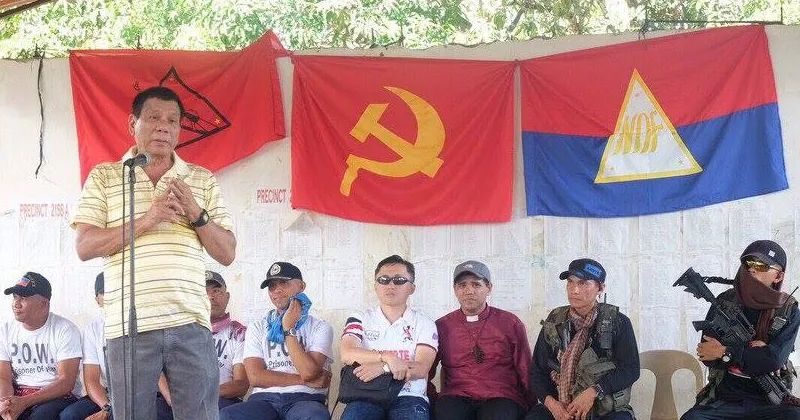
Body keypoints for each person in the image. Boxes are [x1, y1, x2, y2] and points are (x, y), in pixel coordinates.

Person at [72, 85, 236, 420]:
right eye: (153, 118)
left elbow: (227, 252)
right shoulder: (105, 176)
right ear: (132, 123)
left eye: (172, 121)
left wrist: (196, 212)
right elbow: (85, 245)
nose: (163, 126)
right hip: (128, 326)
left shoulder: (201, 180)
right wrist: (148, 219)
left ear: (179, 130)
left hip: (190, 322)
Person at [681, 240, 800, 419]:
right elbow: (707, 354)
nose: (752, 269)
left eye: (761, 265)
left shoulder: (788, 310)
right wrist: (754, 354)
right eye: (747, 263)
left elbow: (773, 359)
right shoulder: (724, 302)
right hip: (726, 398)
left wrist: (725, 352)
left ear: (778, 276)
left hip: (769, 402)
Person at [527, 259, 639, 420]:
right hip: (560, 406)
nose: (575, 290)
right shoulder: (555, 319)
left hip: (602, 409)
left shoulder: (617, 322)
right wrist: (552, 405)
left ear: (600, 288)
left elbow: (630, 369)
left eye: (584, 283)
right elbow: (537, 370)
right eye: (570, 283)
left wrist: (595, 391)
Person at [220, 262, 332, 420]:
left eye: (284, 283)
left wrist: (288, 328)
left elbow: (310, 372)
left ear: (301, 286)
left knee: (314, 416)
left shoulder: (320, 327)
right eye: (272, 286)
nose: (277, 290)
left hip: (305, 399)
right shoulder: (258, 327)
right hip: (264, 400)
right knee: (228, 415)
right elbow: (255, 377)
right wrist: (302, 380)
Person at [340, 255, 439, 420]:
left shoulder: (424, 322)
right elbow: (347, 353)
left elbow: (421, 368)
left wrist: (383, 367)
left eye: (399, 280)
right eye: (383, 279)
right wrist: (387, 357)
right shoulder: (359, 318)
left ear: (412, 288)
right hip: (366, 394)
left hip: (409, 396)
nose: (390, 285)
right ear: (375, 286)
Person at [431, 260, 531, 420]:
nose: (469, 291)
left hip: (500, 395)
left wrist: (530, 405)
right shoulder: (442, 325)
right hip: (457, 394)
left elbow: (525, 367)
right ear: (455, 290)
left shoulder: (510, 322)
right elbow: (427, 369)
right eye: (462, 285)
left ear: (489, 288)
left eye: (476, 285)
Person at [160, 270, 249, 419]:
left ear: (227, 297)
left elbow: (241, 384)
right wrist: (170, 397)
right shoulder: (179, 330)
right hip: (180, 400)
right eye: (204, 292)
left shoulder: (238, 332)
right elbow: (158, 369)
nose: (211, 296)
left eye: (216, 291)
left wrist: (203, 393)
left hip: (220, 400)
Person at [0, 272, 82, 420]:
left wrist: (24, 403)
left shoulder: (65, 329)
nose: (16, 304)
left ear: (43, 304)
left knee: (40, 417)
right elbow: (3, 377)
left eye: (23, 298)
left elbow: (66, 382)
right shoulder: (5, 330)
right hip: (18, 393)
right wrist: (6, 404)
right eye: (15, 297)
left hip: (57, 396)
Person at [61, 273, 113, 420]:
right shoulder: (93, 329)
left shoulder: (141, 324)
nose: (111, 297)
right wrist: (107, 408)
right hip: (109, 394)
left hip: (144, 392)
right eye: (104, 292)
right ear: (98, 300)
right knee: (70, 415)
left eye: (116, 291)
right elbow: (91, 380)